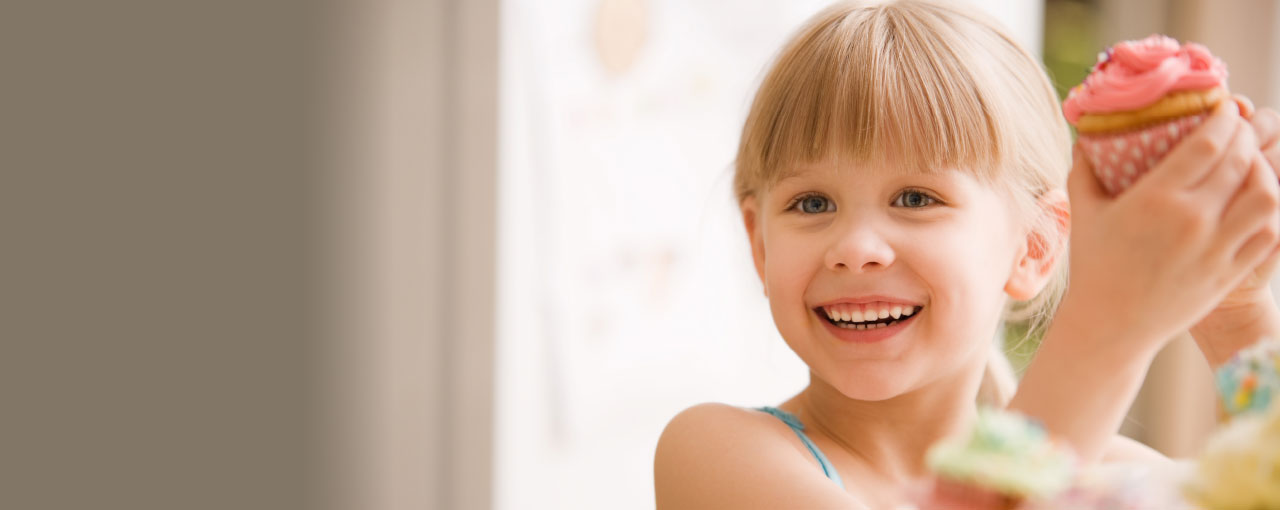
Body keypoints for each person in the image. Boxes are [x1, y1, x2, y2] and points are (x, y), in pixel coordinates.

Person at [653, 1, 1280, 508]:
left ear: (1033, 247)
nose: (855, 249)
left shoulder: (1112, 475)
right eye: (813, 204)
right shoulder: (717, 456)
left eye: (916, 197)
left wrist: (1239, 318)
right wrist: (1106, 329)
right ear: (760, 244)